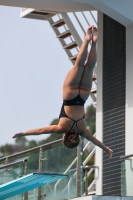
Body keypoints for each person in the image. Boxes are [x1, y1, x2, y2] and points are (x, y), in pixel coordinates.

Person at [13, 26, 113, 158]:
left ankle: (93, 42)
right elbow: (41, 130)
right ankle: (86, 39)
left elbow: (94, 141)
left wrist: (105, 149)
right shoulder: (62, 128)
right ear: (64, 137)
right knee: (78, 65)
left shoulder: (82, 130)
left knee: (89, 68)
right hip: (70, 95)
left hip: (82, 97)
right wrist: (23, 133)